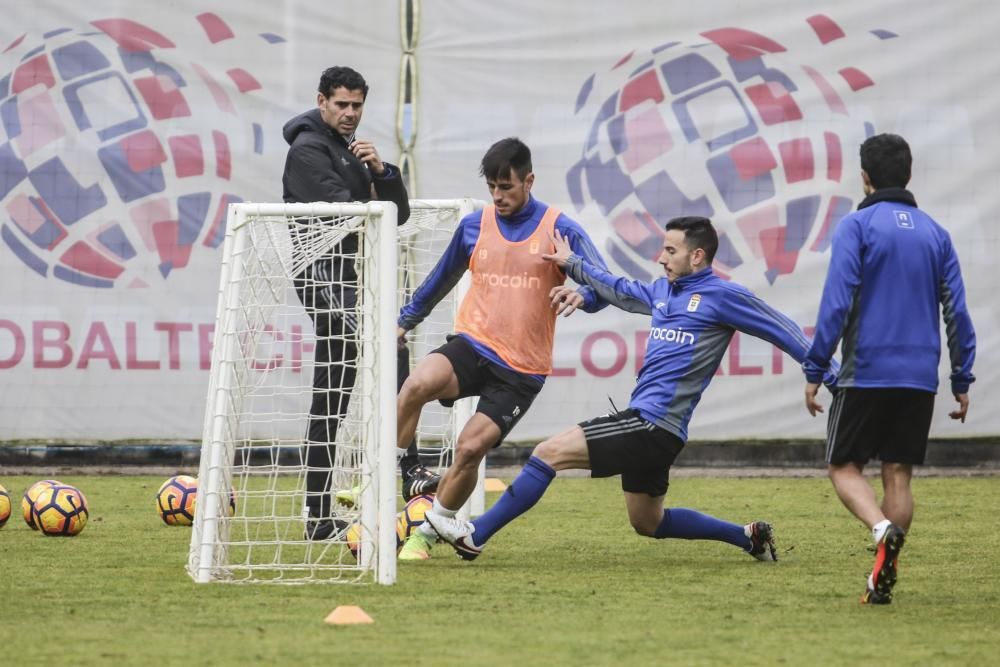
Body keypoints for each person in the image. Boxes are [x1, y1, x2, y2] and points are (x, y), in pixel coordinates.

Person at [426, 216, 836, 563]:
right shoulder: (662, 292)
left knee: (546, 454)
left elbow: (782, 329)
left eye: (671, 251)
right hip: (657, 430)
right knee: (648, 522)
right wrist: (575, 268)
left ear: (697, 256)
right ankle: (748, 536)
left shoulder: (723, 296)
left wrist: (828, 375)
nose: (661, 258)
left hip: (652, 424)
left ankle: (475, 535)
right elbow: (617, 288)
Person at [394, 137, 610, 560]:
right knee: (417, 383)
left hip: (521, 370)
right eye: (492, 187)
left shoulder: (560, 229)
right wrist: (404, 321)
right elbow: (441, 279)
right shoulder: (475, 225)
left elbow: (603, 285)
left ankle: (429, 531)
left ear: (529, 180)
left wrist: (582, 295)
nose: (498, 196)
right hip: (474, 344)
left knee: (470, 448)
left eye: (506, 187)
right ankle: (394, 467)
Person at [802, 133, 976, 604]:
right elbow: (956, 312)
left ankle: (881, 530)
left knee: (843, 465)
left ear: (864, 178)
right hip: (919, 376)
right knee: (898, 475)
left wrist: (816, 367)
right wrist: (961, 376)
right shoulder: (936, 233)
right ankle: (885, 567)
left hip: (866, 370)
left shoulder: (856, 227)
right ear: (909, 174)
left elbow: (837, 303)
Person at [282, 66, 439, 540]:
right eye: (342, 104)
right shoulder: (307, 148)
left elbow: (396, 214)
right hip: (320, 275)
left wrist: (381, 172)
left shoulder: (349, 150)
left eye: (357, 106)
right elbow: (352, 212)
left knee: (334, 393)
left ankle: (319, 514)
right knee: (387, 349)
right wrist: (365, 188)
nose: (350, 114)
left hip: (349, 277)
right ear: (322, 101)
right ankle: (407, 466)